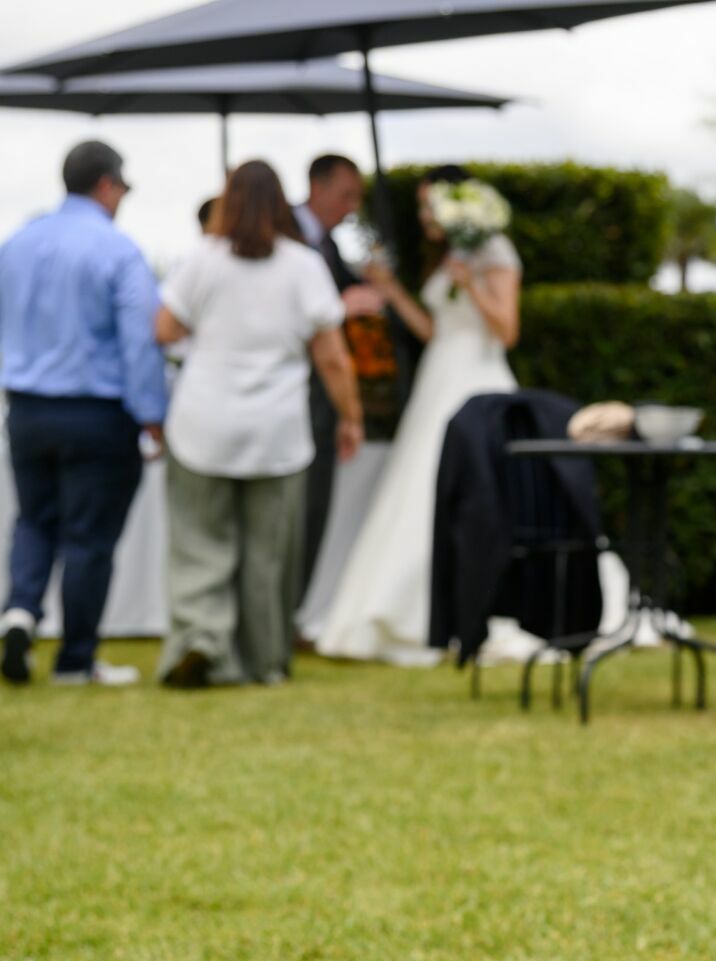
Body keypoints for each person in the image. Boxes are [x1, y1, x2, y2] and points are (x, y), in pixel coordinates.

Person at [154, 159, 364, 689]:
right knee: (268, 553)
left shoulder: (204, 258)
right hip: (276, 429)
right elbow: (333, 358)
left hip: (203, 420)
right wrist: (350, 417)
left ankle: (201, 640)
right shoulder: (303, 265)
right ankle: (265, 660)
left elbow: (165, 327)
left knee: (200, 542)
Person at [315, 166, 522, 665]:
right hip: (439, 377)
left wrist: (471, 285)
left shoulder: (493, 256)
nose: (424, 214)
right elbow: (434, 330)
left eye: (430, 205)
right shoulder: (452, 257)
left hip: (478, 382)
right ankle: (405, 610)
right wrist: (390, 291)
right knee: (417, 489)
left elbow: (507, 330)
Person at [0, 140, 167, 687]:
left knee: (34, 519)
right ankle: (75, 659)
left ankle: (20, 611)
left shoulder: (17, 243)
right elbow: (140, 342)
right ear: (106, 184)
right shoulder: (117, 251)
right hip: (96, 413)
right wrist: (152, 414)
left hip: (26, 408)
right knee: (88, 538)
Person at [293, 154, 385, 602]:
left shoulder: (330, 248)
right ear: (317, 186)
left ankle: (288, 614)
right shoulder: (284, 237)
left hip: (320, 402)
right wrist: (339, 307)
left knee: (313, 510)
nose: (351, 207)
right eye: (346, 195)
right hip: (293, 397)